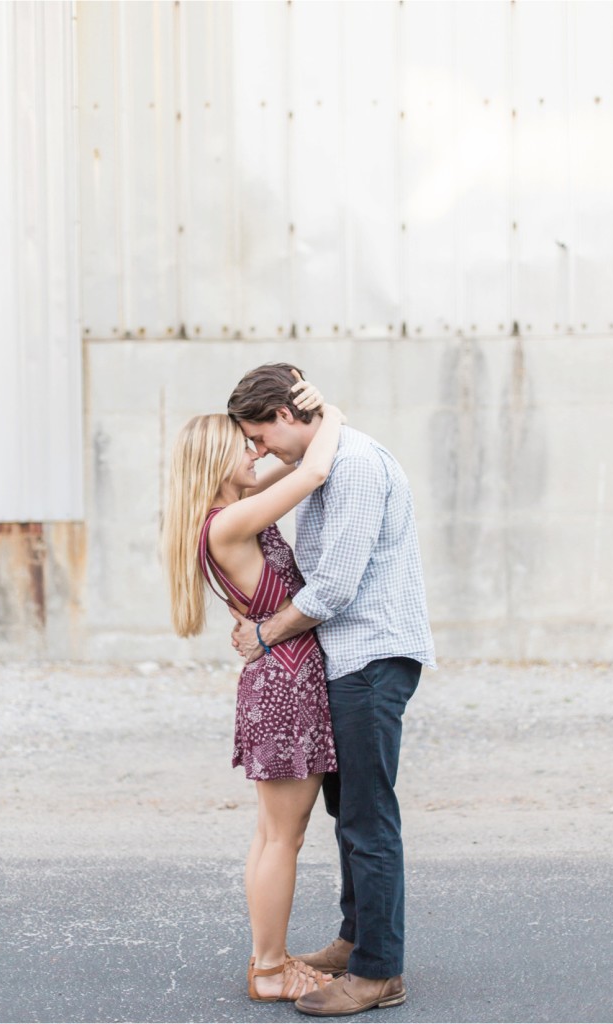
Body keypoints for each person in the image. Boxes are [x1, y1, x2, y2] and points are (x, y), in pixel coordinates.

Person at [227, 362, 436, 1017]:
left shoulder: (353, 467)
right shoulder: (326, 454)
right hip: (348, 661)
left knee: (369, 821)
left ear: (287, 415)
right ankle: (356, 940)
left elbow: (336, 588)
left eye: (260, 436)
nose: (257, 452)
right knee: (349, 817)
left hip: (370, 658)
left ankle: (379, 973)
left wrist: (265, 635)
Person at [162, 376, 346, 1003]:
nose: (256, 453)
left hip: (276, 675)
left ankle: (270, 959)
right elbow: (315, 470)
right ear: (218, 459)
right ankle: (269, 969)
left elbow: (292, 468)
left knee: (274, 834)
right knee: (281, 836)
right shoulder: (229, 522)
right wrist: (331, 408)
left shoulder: (225, 515)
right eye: (244, 446)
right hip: (287, 681)